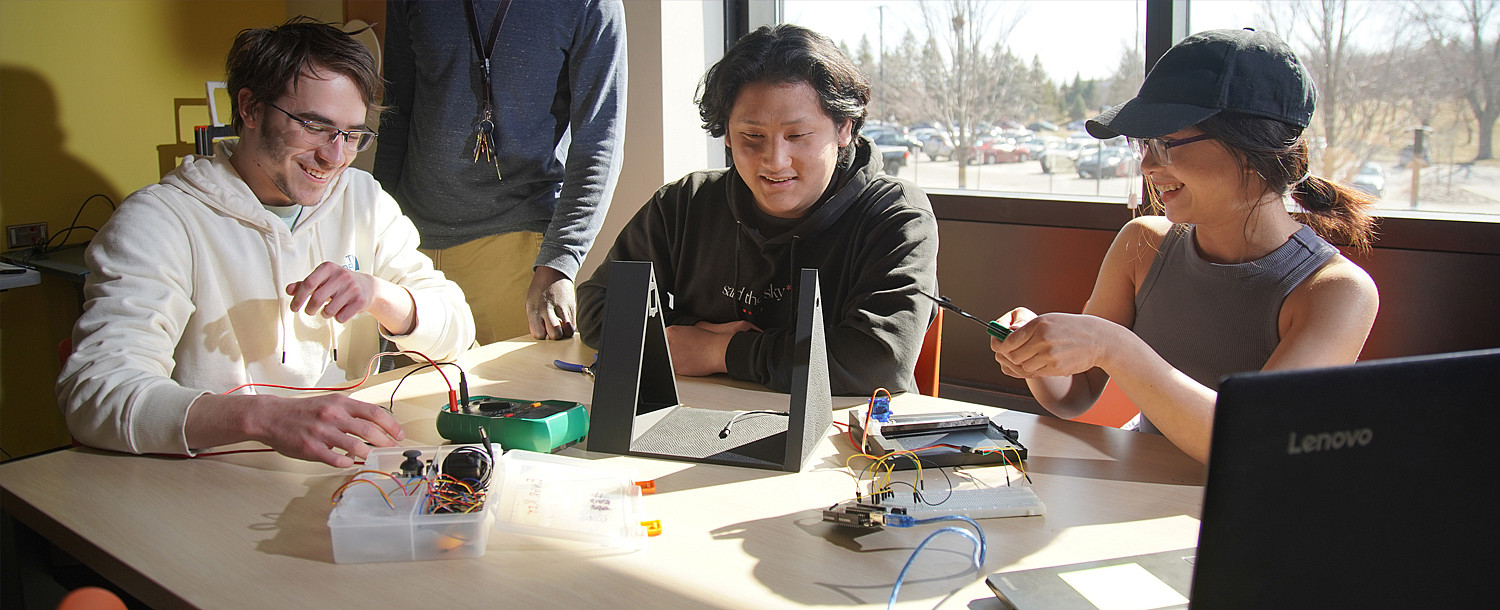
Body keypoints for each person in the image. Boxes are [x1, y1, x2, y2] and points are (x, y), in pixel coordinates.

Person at [56, 18, 475, 468]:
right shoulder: (161, 220)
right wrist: (265, 418)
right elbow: (96, 394)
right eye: (314, 126)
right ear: (251, 109)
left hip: (344, 474)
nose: (334, 156)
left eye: (351, 134)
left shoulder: (363, 199)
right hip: (213, 484)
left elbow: (458, 330)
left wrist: (380, 294)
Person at [990, 28, 1379, 464]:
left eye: (1164, 143)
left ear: (1250, 148)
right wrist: (1036, 356)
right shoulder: (1142, 243)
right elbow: (1076, 395)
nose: (1148, 164)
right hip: (1143, 492)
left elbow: (1254, 444)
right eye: (1143, 144)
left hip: (1241, 515)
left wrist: (1114, 347)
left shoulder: (1335, 290)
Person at [576, 24, 938, 396]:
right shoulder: (685, 203)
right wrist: (690, 332)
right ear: (727, 135)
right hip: (696, 421)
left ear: (844, 128)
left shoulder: (896, 217)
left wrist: (719, 351)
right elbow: (596, 308)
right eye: (753, 137)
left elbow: (877, 362)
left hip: (839, 437)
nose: (775, 161)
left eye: (797, 136)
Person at [375, 0, 627, 345]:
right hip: (411, 246)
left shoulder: (591, 5)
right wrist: (375, 231)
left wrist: (560, 261)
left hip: (518, 248)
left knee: (522, 397)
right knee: (407, 397)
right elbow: (395, 114)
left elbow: (599, 141)